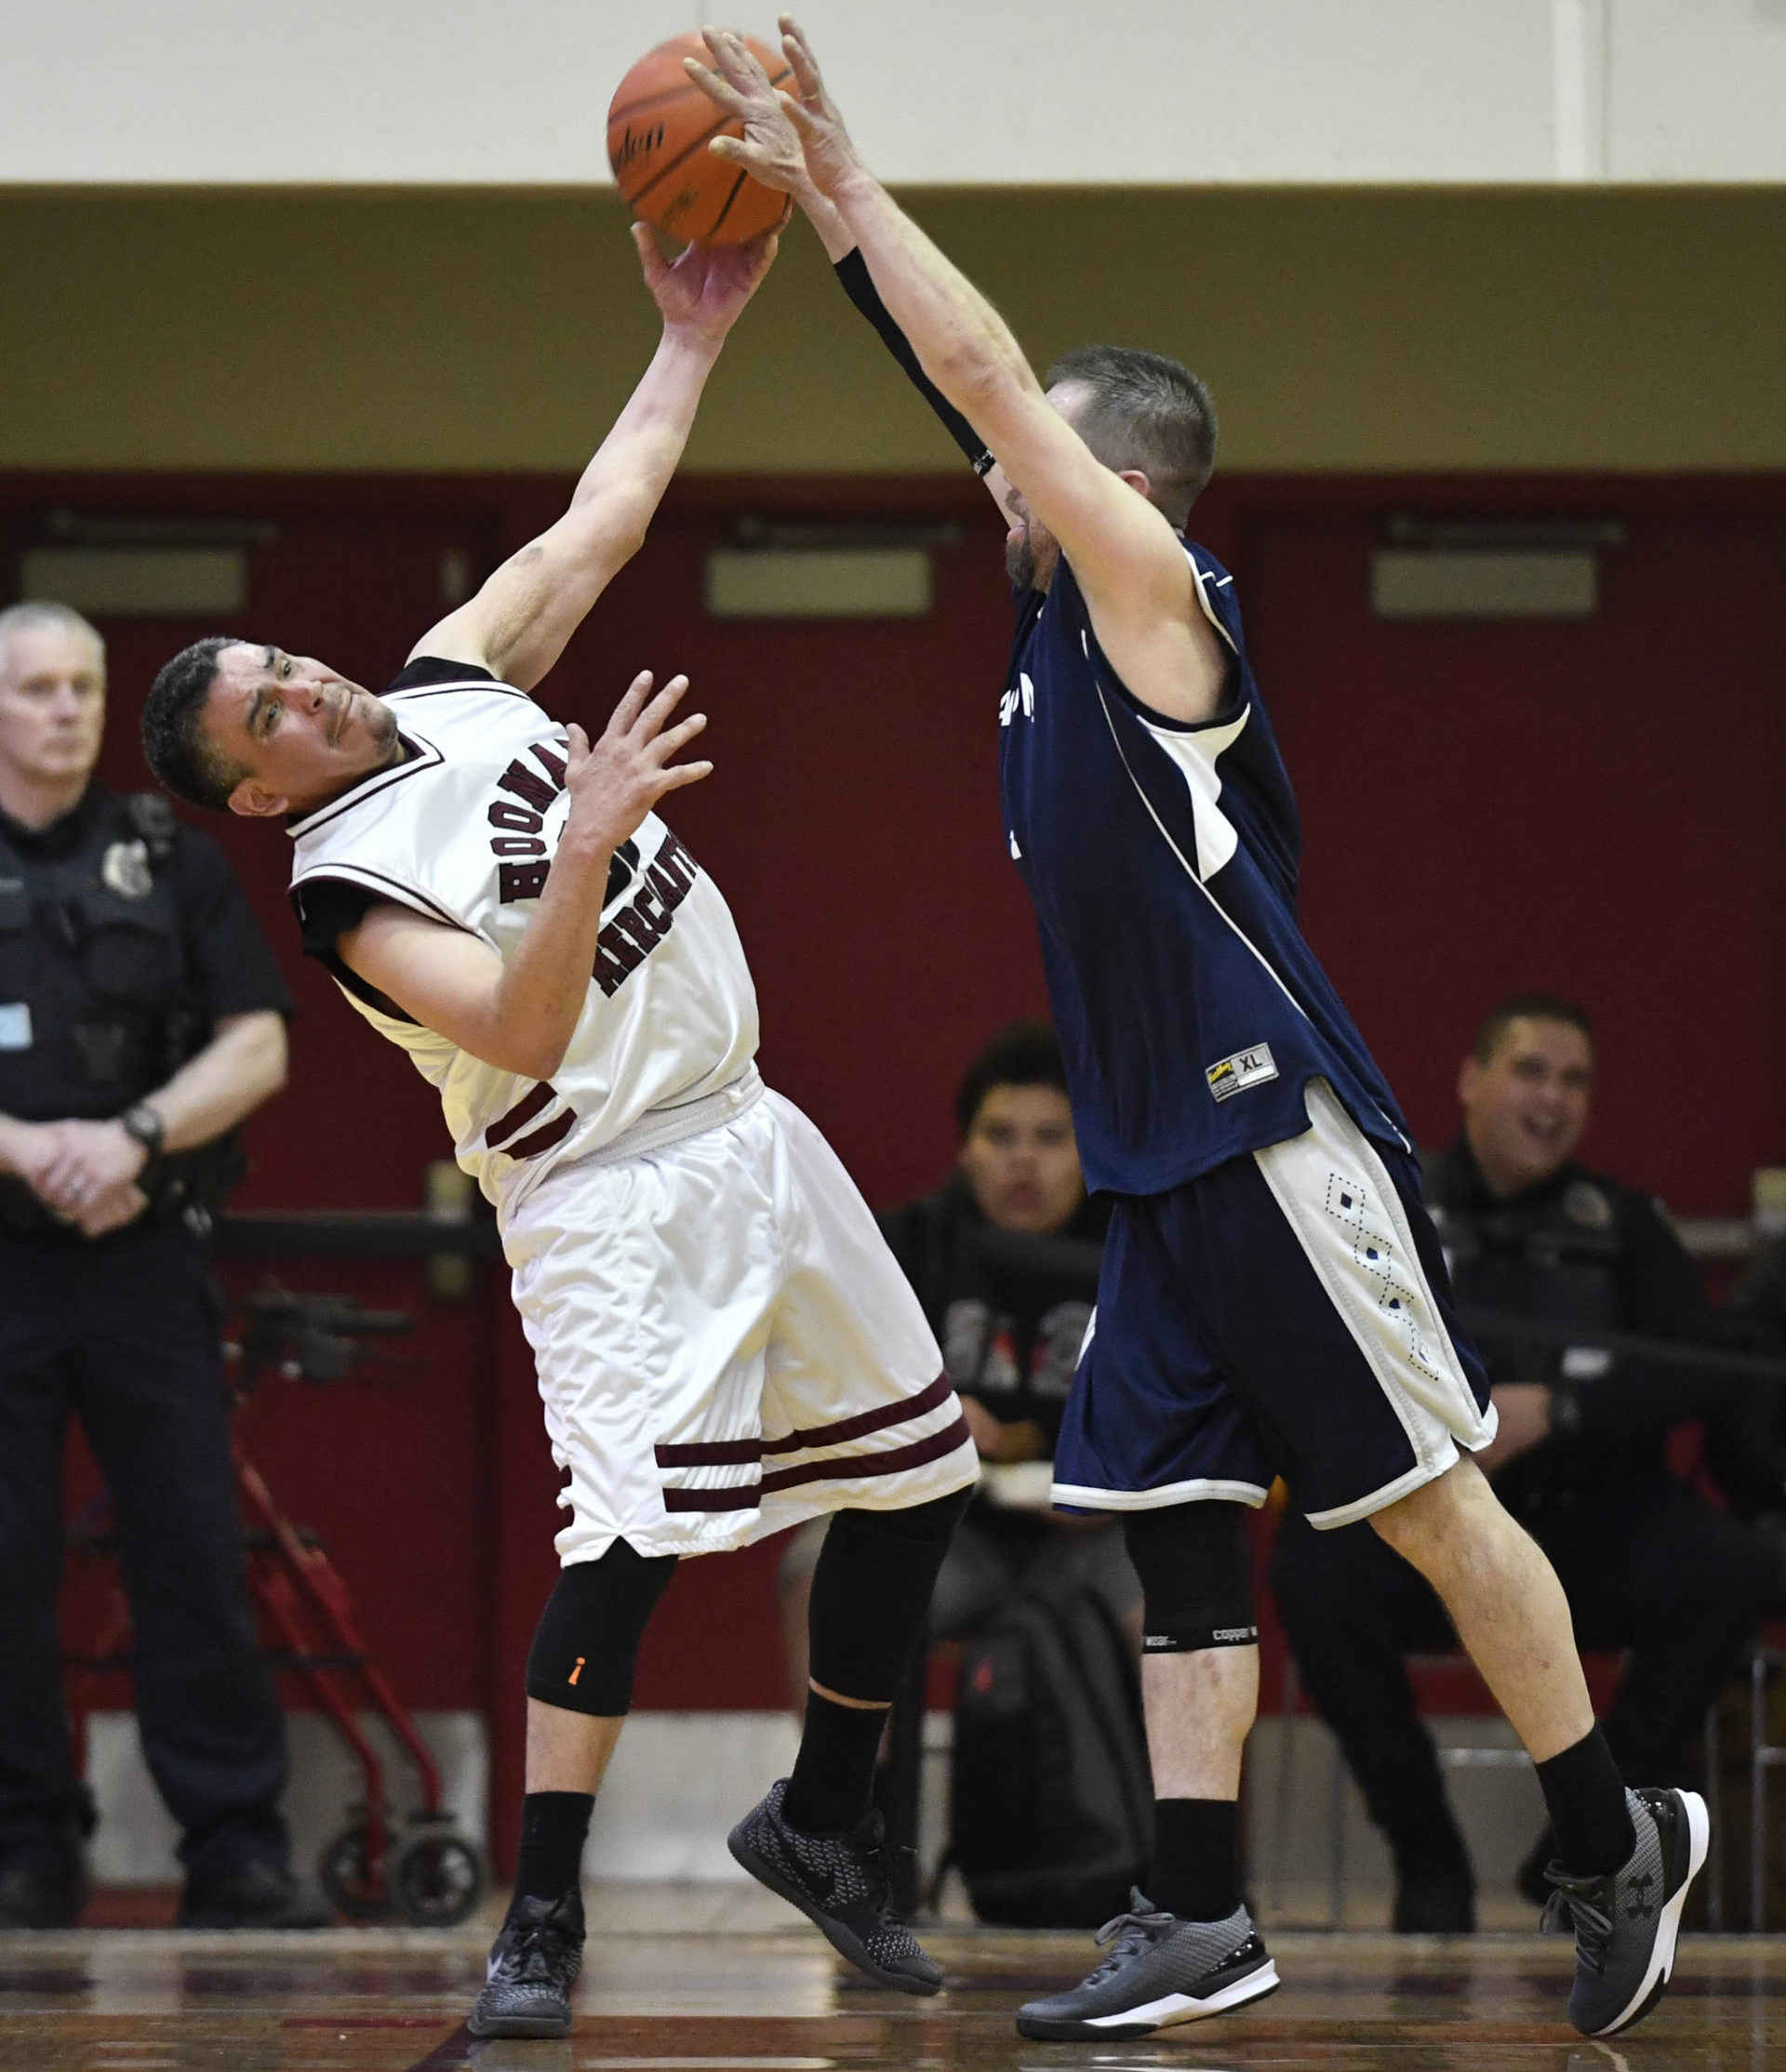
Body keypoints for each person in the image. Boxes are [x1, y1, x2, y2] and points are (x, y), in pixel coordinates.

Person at [685, 22, 1708, 2040]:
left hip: (1273, 1135)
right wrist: (821, 222)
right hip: (1160, 1178)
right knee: (1156, 1526)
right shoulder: (1050, 621)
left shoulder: (1164, 597)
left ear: (1116, 479)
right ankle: (1198, 1912)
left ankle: (1611, 1832)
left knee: (1430, 1505)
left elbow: (982, 380)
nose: (990, 473)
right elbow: (953, 380)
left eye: (1033, 455)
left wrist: (849, 180)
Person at [139, 220, 978, 2041]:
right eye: (268, 710)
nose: (307, 685)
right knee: (630, 1543)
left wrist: (689, 337)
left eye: (286, 657)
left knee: (921, 1480)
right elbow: (522, 1021)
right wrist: (585, 824)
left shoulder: (446, 673)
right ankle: (540, 1927)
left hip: (754, 1127)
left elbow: (596, 524)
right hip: (603, 1189)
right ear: (257, 788)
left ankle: (823, 1823)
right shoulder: (342, 891)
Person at [1272, 995, 1777, 1930]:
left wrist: (1565, 1410)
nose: (1553, 1097)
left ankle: (1581, 1848)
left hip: (1586, 1516)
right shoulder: (1387, 1198)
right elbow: (1317, 1348)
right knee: (1310, 1565)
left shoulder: (1623, 1220)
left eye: (1574, 1078)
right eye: (1531, 1070)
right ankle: (1427, 1852)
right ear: (1471, 1080)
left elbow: (1698, 1368)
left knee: (1735, 1568)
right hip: (1429, 1521)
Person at [0, 601, 316, 1930]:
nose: (65, 710)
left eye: (83, 686)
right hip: (5, 1263)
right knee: (5, 1562)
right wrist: (27, 1149)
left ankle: (236, 1846)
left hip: (143, 1258)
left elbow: (260, 1044)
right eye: (35, 689)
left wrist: (128, 1136)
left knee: (190, 1551)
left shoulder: (169, 859)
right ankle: (24, 1845)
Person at [779, 1019, 1131, 1709]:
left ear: (1091, 1151)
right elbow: (822, 1398)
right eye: (1001, 1137)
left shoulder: (1136, 1259)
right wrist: (923, 1424)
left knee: (1182, 1615)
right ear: (967, 1149)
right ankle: (841, 1812)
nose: (1023, 1161)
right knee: (816, 1574)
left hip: (1098, 1536)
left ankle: (1163, 1819)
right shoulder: (906, 1249)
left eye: (1051, 1138)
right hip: (944, 1530)